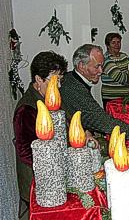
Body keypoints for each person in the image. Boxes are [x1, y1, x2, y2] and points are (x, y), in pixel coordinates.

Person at [13, 51, 97, 203]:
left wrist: (86, 133)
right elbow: (25, 153)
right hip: (42, 184)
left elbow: (71, 120)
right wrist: (59, 164)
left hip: (61, 170)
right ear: (38, 79)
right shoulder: (26, 109)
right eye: (54, 81)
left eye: (60, 81)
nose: (58, 86)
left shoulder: (53, 98)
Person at [60, 44, 129, 149]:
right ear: (81, 66)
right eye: (97, 66)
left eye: (102, 65)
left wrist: (86, 131)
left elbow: (79, 115)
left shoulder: (72, 79)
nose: (101, 71)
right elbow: (103, 121)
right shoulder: (73, 88)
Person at [101, 32, 129, 108]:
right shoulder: (105, 59)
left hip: (126, 98)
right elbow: (120, 78)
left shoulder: (124, 56)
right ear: (108, 45)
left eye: (118, 42)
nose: (116, 45)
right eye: (113, 43)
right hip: (112, 100)